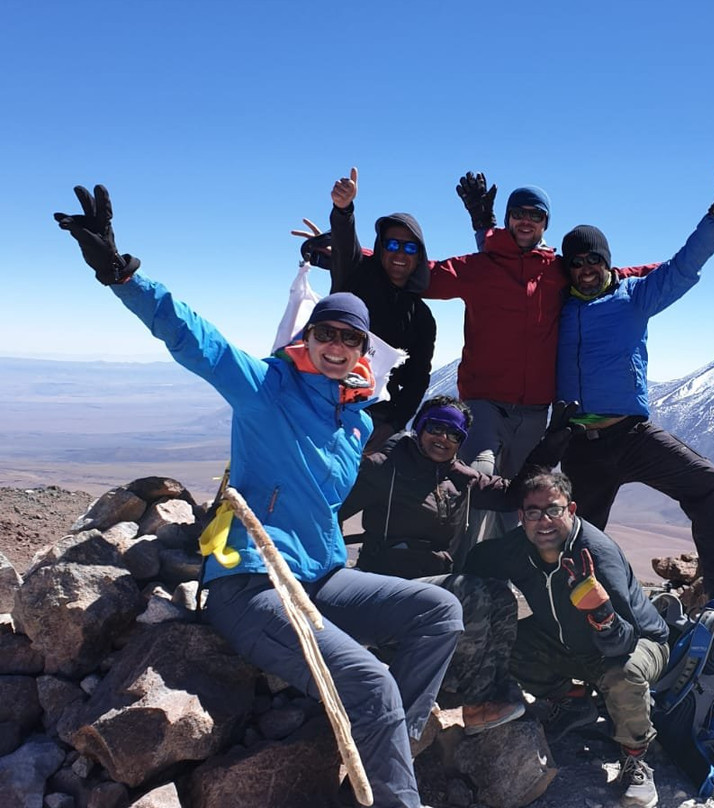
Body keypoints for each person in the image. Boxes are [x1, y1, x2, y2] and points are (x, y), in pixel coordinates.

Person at [54, 184, 462, 808]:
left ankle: (392, 743)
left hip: (319, 577)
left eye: (350, 339)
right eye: (326, 333)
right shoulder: (267, 388)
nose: (337, 346)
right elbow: (198, 340)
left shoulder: (354, 421)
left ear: (363, 351)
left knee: (440, 613)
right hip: (251, 586)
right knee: (373, 681)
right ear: (309, 336)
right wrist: (122, 275)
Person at [555, 165, 714, 611]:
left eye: (593, 260)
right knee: (576, 538)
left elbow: (683, 266)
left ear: (606, 261)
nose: (585, 269)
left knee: (706, 483)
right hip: (579, 444)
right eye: (575, 263)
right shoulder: (554, 306)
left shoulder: (635, 296)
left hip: (631, 435)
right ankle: (567, 618)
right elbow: (512, 278)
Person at [428, 173, 656, 533]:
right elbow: (416, 274)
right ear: (507, 219)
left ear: (545, 223)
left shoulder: (557, 271)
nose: (526, 221)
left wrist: (674, 270)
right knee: (479, 477)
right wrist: (349, 251)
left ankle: (509, 562)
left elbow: (612, 273)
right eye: (518, 213)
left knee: (521, 495)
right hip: (484, 401)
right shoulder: (480, 266)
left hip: (535, 410)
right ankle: (463, 561)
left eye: (535, 215)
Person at [339, 395, 576, 735]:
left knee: (501, 596)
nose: (443, 438)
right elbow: (331, 510)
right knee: (471, 592)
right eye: (436, 428)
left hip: (429, 591)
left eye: (454, 434)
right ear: (420, 427)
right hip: (386, 591)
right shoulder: (383, 467)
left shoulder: (460, 478)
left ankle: (494, 692)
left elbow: (512, 495)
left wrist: (549, 447)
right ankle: (475, 702)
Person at [465, 471, 669, 808]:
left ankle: (636, 758)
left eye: (554, 510)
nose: (544, 521)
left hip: (636, 644)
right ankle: (573, 703)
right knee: (507, 640)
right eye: (534, 512)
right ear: (522, 516)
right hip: (570, 642)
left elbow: (625, 642)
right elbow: (479, 559)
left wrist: (601, 612)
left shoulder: (596, 555)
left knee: (624, 673)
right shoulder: (517, 548)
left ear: (571, 510)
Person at [297, 167, 437, 454]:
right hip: (320, 399)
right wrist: (344, 209)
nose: (400, 253)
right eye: (392, 244)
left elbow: (418, 378)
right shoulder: (356, 276)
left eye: (410, 248)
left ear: (419, 257)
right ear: (380, 248)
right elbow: (346, 245)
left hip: (373, 418)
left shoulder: (422, 318)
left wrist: (392, 424)